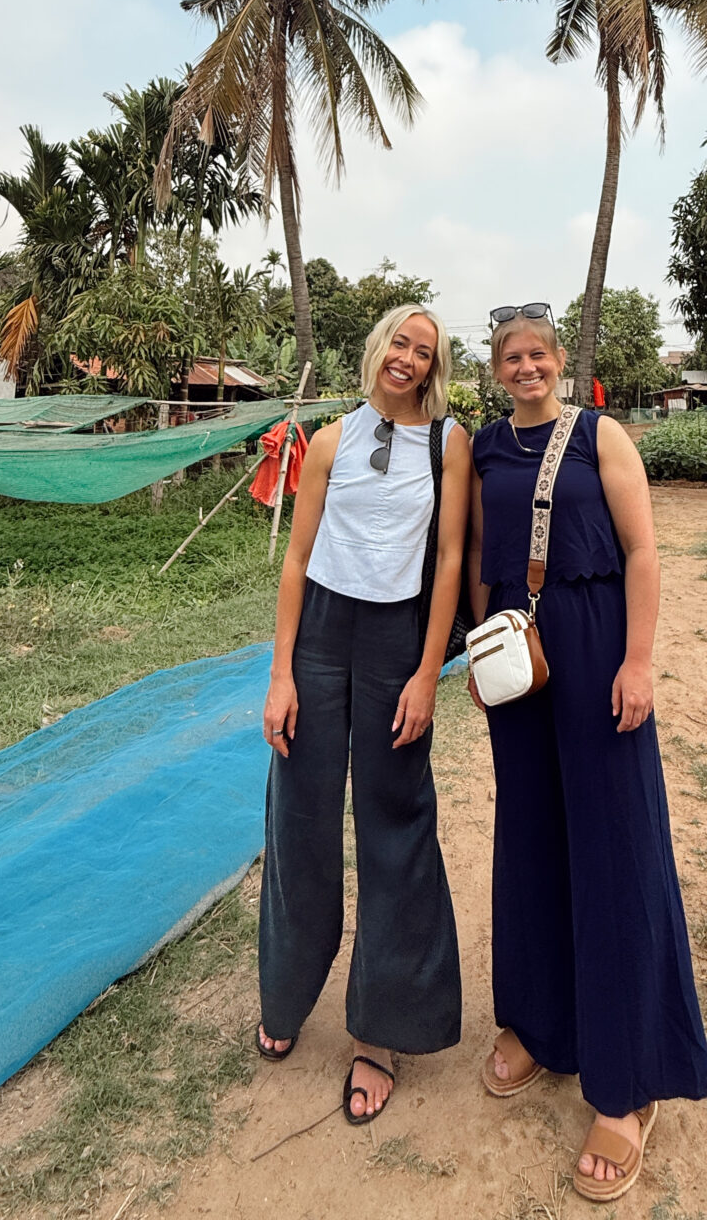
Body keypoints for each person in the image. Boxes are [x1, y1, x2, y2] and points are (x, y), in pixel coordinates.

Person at [468, 305, 707, 1203]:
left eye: (538, 354)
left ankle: (629, 1083)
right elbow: (471, 557)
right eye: (511, 358)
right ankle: (541, 1024)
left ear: (559, 361)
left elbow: (645, 550)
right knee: (530, 838)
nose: (526, 368)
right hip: (518, 660)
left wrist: (639, 660)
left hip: (599, 642)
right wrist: (472, 649)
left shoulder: (600, 436)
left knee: (616, 850)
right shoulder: (486, 449)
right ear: (495, 370)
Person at [256, 305, 470, 1124]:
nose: (409, 359)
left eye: (425, 352)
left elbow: (450, 558)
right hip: (319, 633)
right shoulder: (330, 442)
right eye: (400, 344)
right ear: (377, 351)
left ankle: (379, 1034)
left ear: (434, 367)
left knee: (393, 821)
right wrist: (281, 674)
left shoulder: (448, 446)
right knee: (300, 818)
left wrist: (426, 673)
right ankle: (285, 996)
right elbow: (298, 558)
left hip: (394, 641)